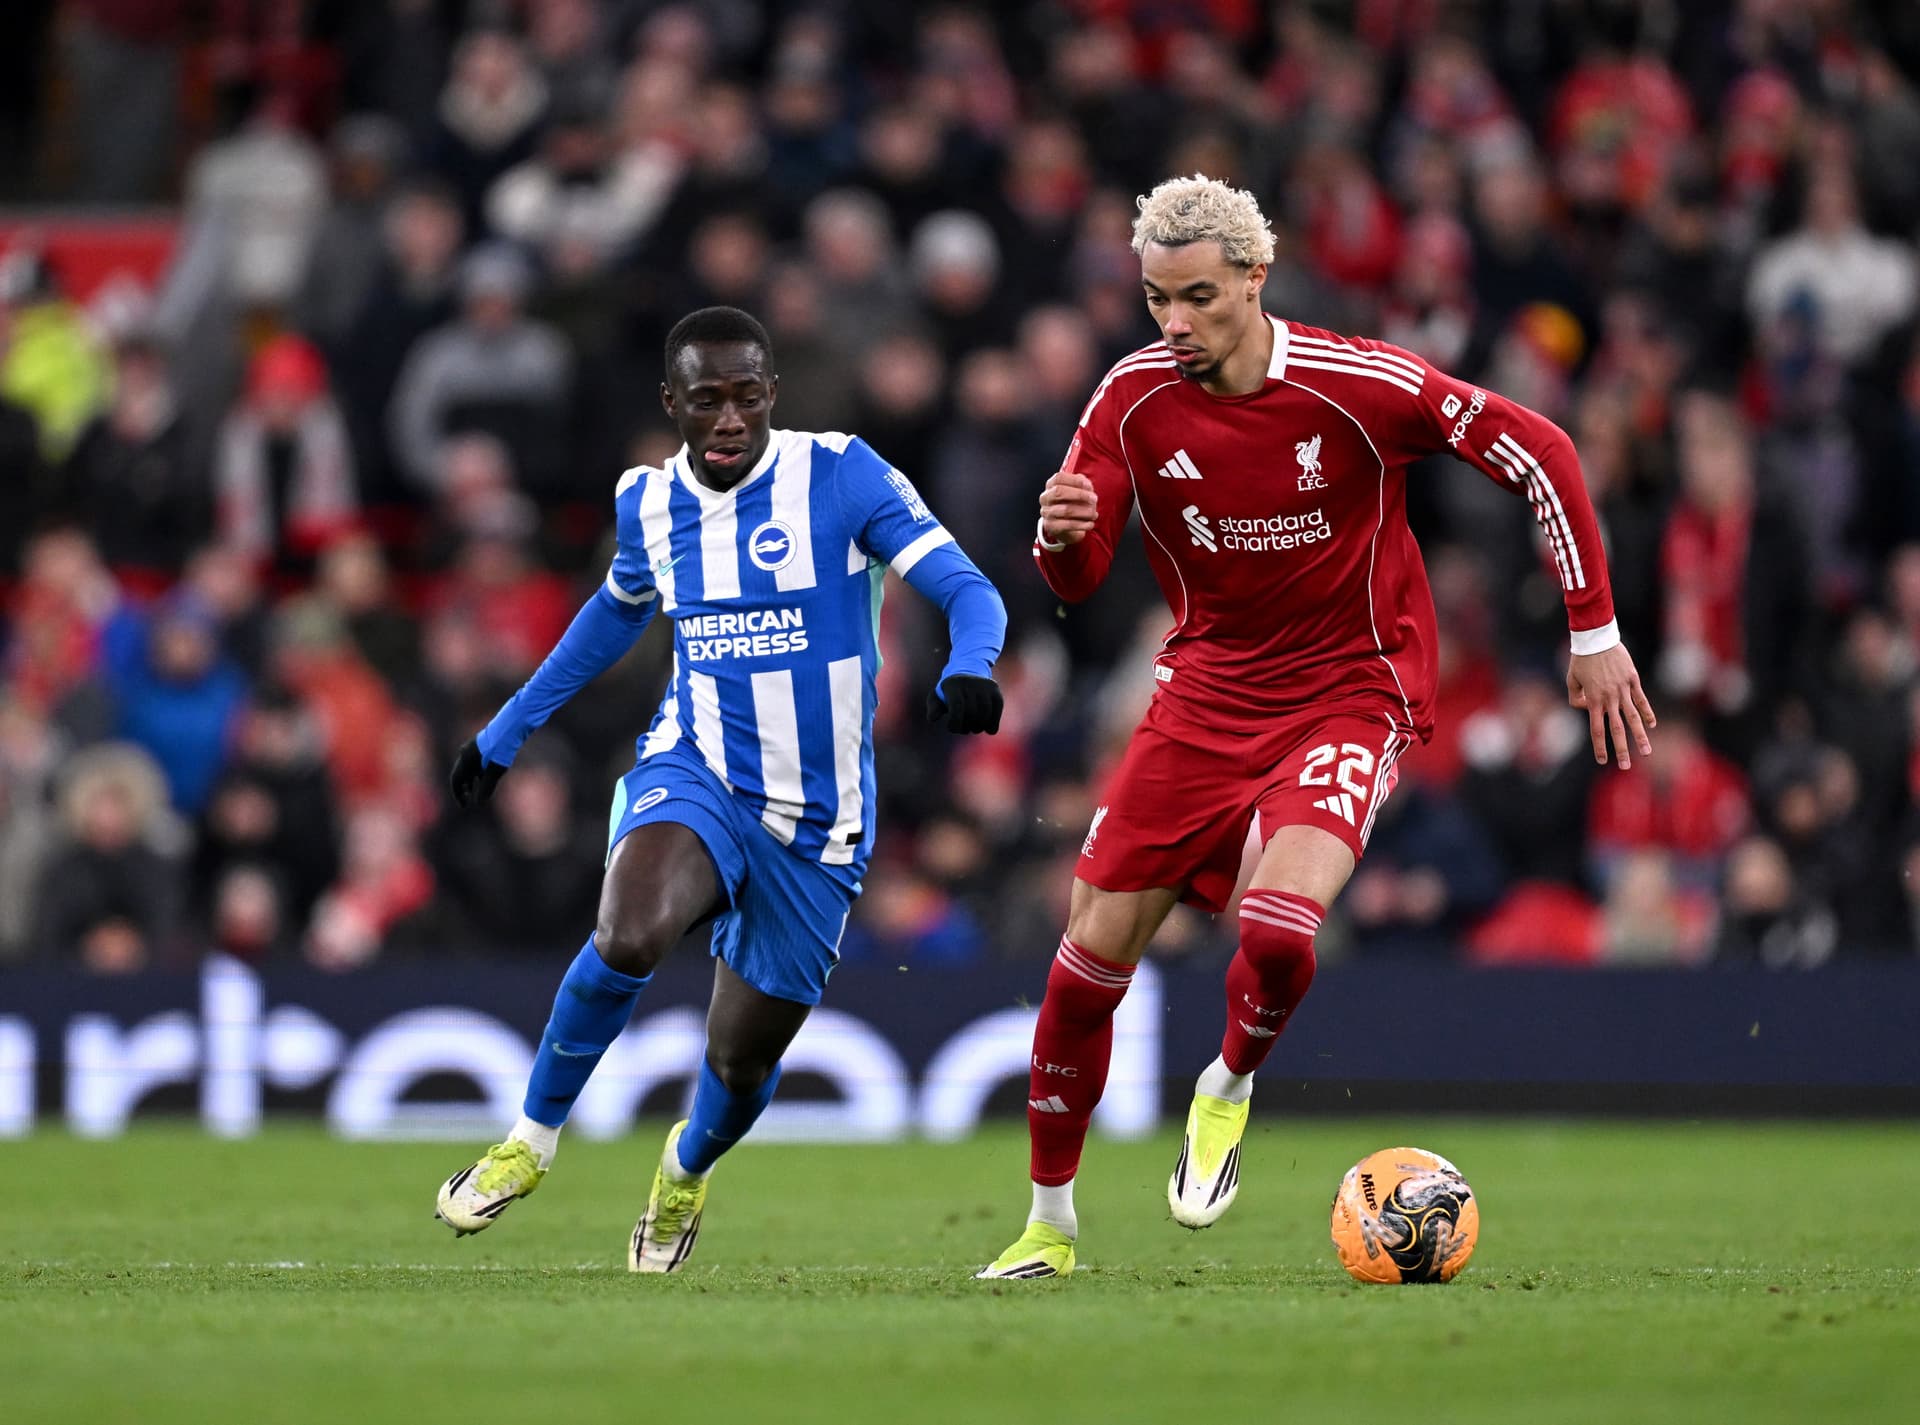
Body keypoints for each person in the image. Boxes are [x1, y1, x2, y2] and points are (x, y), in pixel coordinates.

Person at [978, 175, 1656, 1280]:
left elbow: (1543, 450)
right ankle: (1050, 1224)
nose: (1175, 324)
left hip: (1352, 687)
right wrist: (1062, 540)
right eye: (1157, 299)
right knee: (1082, 963)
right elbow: (1083, 571)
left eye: (1198, 296)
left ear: (1256, 276)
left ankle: (1227, 1083)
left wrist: (1594, 631)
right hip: (1202, 695)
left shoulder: (1355, 384)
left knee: (1282, 928)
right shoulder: (1129, 396)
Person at [434, 306, 1006, 1271]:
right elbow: (612, 617)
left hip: (819, 825)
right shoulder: (648, 504)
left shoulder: (842, 474)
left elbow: (968, 588)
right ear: (674, 405)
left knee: (739, 1063)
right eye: (709, 400)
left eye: (748, 396)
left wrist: (971, 663)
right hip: (696, 766)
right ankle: (528, 1142)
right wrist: (506, 731)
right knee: (628, 931)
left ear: (772, 395)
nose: (731, 417)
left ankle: (684, 1171)